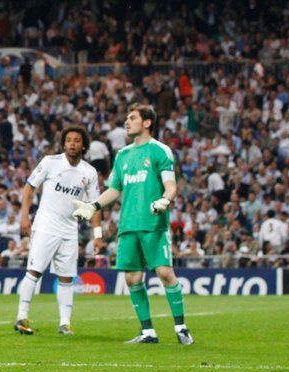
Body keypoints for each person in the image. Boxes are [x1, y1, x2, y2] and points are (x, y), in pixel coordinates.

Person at [72, 104, 194, 345]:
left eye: (132, 118)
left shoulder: (160, 151)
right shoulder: (123, 155)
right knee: (132, 279)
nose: (127, 122)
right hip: (127, 225)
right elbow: (114, 190)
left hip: (153, 223)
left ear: (147, 122)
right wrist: (93, 206)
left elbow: (171, 185)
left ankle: (181, 327)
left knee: (165, 272)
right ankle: (148, 331)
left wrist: (165, 200)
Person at [14, 125, 102, 335]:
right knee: (34, 271)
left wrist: (97, 235)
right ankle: (21, 317)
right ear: (63, 144)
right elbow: (28, 188)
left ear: (83, 145)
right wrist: (24, 216)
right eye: (69, 140)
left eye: (77, 140)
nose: (72, 144)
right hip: (45, 226)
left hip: (70, 230)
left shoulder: (89, 172)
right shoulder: (50, 162)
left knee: (66, 278)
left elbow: (95, 205)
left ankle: (64, 323)